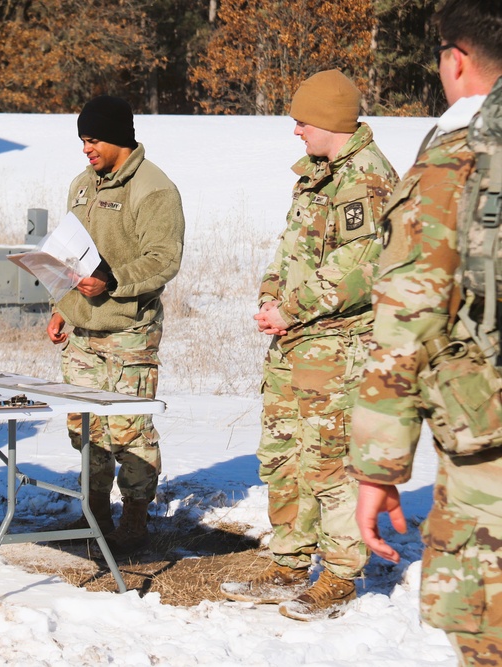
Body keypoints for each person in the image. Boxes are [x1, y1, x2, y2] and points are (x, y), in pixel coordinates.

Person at [348, 0, 502, 663]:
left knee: (487, 627)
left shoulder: (462, 152)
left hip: (489, 453)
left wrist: (378, 467)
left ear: (455, 59)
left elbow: (410, 314)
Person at [219, 70, 398, 621]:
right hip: (296, 345)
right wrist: (272, 294)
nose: (295, 131)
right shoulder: (316, 177)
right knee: (284, 458)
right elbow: (290, 250)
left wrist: (290, 309)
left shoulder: (366, 181)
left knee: (328, 463)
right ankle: (290, 564)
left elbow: (361, 270)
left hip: (338, 349)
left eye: (301, 120)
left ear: (329, 120)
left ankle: (341, 575)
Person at [46, 95, 185, 556]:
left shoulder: (154, 189)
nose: (86, 149)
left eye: (93, 140)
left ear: (119, 138)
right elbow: (70, 256)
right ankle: (95, 513)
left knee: (128, 429)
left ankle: (135, 518)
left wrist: (113, 281)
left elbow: (164, 261)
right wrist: (63, 308)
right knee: (85, 428)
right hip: (82, 330)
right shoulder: (81, 186)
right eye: (82, 140)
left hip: (129, 330)